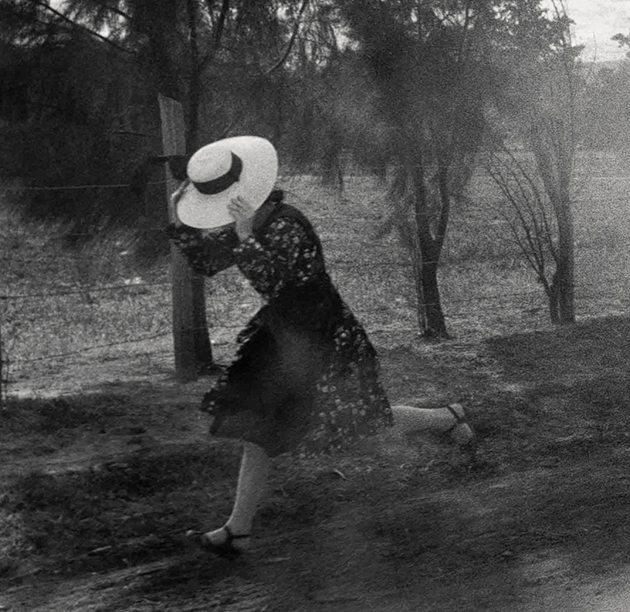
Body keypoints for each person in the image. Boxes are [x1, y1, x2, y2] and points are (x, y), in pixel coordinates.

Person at [166, 136, 475, 557]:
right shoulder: (250, 222)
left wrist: (243, 237)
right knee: (257, 430)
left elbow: (283, 288)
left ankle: (444, 417)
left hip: (325, 340)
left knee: (361, 423)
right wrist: (182, 218)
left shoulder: (287, 224)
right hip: (280, 344)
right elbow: (205, 262)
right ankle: (238, 530)